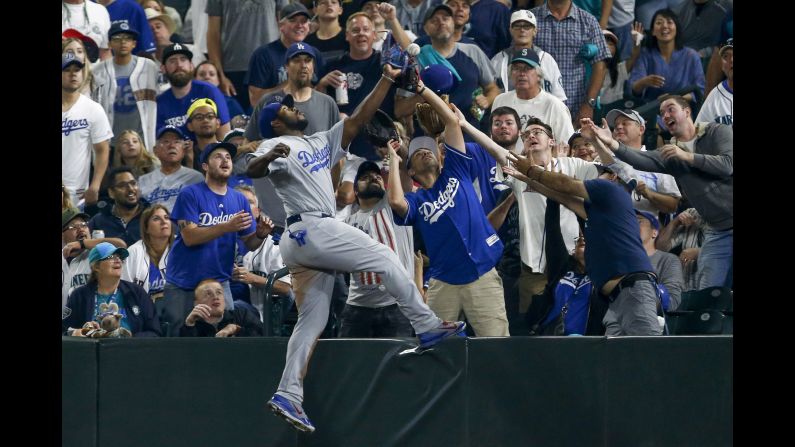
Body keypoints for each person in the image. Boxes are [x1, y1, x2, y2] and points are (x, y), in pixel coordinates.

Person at [245, 64, 465, 433]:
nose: (293, 107)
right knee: (382, 255)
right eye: (284, 108)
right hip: (310, 227)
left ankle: (288, 394)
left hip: (303, 239)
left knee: (311, 320)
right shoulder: (274, 143)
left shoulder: (320, 141)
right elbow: (252, 168)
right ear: (276, 123)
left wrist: (386, 79)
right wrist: (268, 157)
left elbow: (361, 117)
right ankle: (425, 325)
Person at [387, 82, 508, 337]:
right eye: (418, 152)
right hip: (444, 283)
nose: (425, 152)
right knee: (436, 351)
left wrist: (421, 89)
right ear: (411, 170)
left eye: (429, 149)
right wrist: (393, 161)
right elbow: (397, 201)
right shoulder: (418, 200)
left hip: (482, 274)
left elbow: (452, 123)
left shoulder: (456, 170)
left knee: (497, 347)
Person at [502, 148, 663, 336]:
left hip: (632, 290)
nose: (591, 178)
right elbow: (563, 198)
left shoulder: (610, 189)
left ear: (612, 176)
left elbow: (567, 185)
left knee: (648, 354)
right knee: (623, 360)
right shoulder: (605, 208)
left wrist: (532, 170)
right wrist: (529, 180)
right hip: (617, 296)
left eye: (597, 173)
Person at [590, 95, 732, 289]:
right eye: (662, 113)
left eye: (670, 109)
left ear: (687, 111)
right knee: (706, 292)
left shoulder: (716, 131)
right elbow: (640, 160)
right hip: (717, 229)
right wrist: (610, 143)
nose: (665, 116)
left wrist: (688, 157)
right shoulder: (671, 152)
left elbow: (727, 165)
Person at [161, 142, 274, 337]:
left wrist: (260, 235)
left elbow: (249, 242)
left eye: (228, 157)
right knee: (178, 337)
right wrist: (226, 226)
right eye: (218, 156)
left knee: (224, 336)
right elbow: (189, 237)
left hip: (219, 283)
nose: (225, 160)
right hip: (183, 282)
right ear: (205, 166)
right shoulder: (190, 194)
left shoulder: (238, 199)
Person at [339, 161, 416, 337]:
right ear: (356, 191)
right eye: (365, 178)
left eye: (377, 176)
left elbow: (405, 181)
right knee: (350, 363)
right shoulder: (346, 225)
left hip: (398, 305)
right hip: (358, 307)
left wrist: (394, 156)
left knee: (396, 363)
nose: (373, 178)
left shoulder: (397, 206)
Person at [531, 0, 611, 124]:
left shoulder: (588, 21)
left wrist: (589, 104)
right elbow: (517, 56)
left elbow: (600, 65)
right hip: (537, 104)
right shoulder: (531, 19)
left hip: (575, 106)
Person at [63, 242, 161, 337]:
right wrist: (80, 332)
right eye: (111, 257)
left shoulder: (136, 292)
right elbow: (65, 331)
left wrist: (131, 339)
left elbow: (154, 332)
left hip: (132, 351)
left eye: (119, 257)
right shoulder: (79, 295)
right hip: (93, 351)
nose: (118, 260)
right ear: (96, 266)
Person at [205, 0, 287, 111]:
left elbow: (286, 24)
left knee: (273, 119)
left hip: (269, 66)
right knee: (237, 121)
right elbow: (213, 34)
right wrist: (220, 75)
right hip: (233, 69)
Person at [92, 22, 160, 149]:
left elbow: (162, 95)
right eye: (117, 39)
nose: (123, 42)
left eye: (128, 38)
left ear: (134, 43)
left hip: (144, 140)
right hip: (111, 143)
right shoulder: (98, 71)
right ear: (109, 44)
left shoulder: (149, 66)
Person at [491, 47, 574, 144]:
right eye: (516, 68)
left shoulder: (554, 105)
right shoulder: (501, 101)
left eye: (528, 68)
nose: (521, 73)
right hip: (505, 158)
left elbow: (567, 144)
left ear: (539, 75)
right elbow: (493, 139)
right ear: (510, 74)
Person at [628, 9, 704, 111]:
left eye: (669, 22)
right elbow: (634, 90)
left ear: (676, 28)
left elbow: (700, 90)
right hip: (652, 112)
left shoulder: (691, 56)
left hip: (682, 110)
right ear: (653, 31)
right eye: (659, 23)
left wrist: (672, 99)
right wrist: (644, 82)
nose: (664, 26)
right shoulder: (645, 55)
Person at [62, 53, 112, 209]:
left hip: (78, 194)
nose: (73, 74)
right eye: (67, 69)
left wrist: (95, 185)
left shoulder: (93, 109)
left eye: (77, 69)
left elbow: (102, 150)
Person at [246, 2, 318, 108]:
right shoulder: (263, 55)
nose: (299, 25)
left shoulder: (314, 53)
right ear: (281, 25)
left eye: (303, 21)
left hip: (308, 112)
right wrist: (290, 83)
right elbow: (255, 100)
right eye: (293, 20)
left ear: (309, 26)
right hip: (275, 117)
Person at [156, 43, 230, 140]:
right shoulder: (160, 102)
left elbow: (224, 133)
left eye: (183, 59)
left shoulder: (208, 91)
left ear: (191, 66)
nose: (179, 65)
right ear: (163, 68)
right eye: (172, 61)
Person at [490, 9, 566, 100]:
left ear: (535, 31)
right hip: (506, 112)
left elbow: (560, 98)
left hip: (540, 113)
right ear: (510, 30)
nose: (522, 30)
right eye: (517, 26)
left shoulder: (547, 60)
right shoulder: (498, 60)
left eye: (527, 26)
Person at [62, 208, 128, 308]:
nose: (81, 229)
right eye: (73, 227)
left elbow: (121, 245)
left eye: (83, 225)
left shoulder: (97, 252)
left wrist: (82, 243)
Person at [138, 125, 205, 211]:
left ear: (184, 150)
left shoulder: (196, 179)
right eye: (166, 141)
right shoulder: (143, 181)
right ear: (155, 150)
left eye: (177, 142)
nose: (171, 145)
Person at [121, 204, 173, 301]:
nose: (164, 222)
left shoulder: (180, 249)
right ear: (146, 228)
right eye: (156, 219)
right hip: (143, 312)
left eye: (166, 217)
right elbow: (125, 289)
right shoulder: (134, 252)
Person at [180, 279, 264, 337]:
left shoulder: (241, 314)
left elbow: (264, 337)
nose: (215, 297)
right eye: (208, 294)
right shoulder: (192, 324)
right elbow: (187, 354)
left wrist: (237, 329)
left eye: (219, 292)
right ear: (196, 303)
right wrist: (189, 325)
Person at [89, 167, 149, 246]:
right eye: (123, 185)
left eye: (133, 183)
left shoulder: (150, 216)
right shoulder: (98, 221)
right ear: (111, 193)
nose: (131, 189)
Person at [695, 37, 732, 125]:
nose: (731, 60)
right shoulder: (714, 97)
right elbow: (698, 133)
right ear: (721, 65)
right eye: (726, 56)